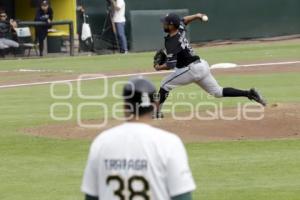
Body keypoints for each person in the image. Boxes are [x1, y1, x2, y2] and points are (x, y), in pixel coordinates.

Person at [81, 77, 196, 200]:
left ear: (125, 106)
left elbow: (91, 196)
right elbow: (182, 196)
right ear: (156, 105)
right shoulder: (170, 143)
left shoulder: (101, 142)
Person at [153, 13, 267, 118]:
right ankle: (249, 93)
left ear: (172, 25)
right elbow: (184, 20)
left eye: (165, 23)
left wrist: (159, 67)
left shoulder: (172, 42)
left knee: (165, 84)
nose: (163, 24)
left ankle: (157, 112)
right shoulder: (180, 29)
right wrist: (197, 16)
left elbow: (170, 65)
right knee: (218, 92)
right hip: (202, 65)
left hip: (191, 70)